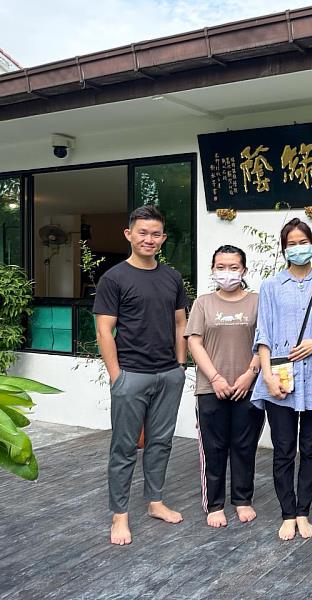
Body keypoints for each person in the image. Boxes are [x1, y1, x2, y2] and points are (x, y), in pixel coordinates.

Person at [93, 205, 188, 546]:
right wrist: (117, 376)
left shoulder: (171, 277)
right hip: (131, 375)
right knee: (123, 447)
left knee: (161, 443)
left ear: (163, 238)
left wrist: (180, 365)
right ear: (129, 234)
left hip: (168, 374)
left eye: (156, 234)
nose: (149, 239)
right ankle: (120, 516)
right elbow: (105, 331)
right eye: (142, 232)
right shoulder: (114, 278)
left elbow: (180, 323)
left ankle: (156, 502)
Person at [252, 218, 312, 541]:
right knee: (284, 449)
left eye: (302, 241)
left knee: (311, 447)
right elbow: (263, 334)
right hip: (279, 377)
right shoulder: (270, 287)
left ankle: (303, 510)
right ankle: (287, 513)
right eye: (290, 243)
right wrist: (266, 376)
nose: (297, 248)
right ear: (283, 249)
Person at [185, 245, 263, 528]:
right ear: (212, 269)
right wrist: (215, 377)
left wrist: (250, 374)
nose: (226, 273)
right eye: (221, 267)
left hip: (249, 387)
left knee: (245, 446)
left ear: (244, 270)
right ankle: (215, 504)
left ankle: (243, 499)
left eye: (233, 267)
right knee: (213, 447)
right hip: (211, 388)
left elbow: (264, 341)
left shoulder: (258, 301)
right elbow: (194, 341)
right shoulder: (203, 303)